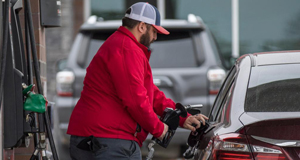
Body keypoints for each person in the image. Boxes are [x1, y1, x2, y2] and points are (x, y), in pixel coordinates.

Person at [67, 2, 208, 160]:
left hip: (99, 138)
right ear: (142, 26)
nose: (155, 37)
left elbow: (151, 93)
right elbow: (135, 100)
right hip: (109, 141)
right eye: (154, 31)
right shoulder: (127, 49)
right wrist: (159, 128)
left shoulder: (121, 45)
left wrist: (182, 117)